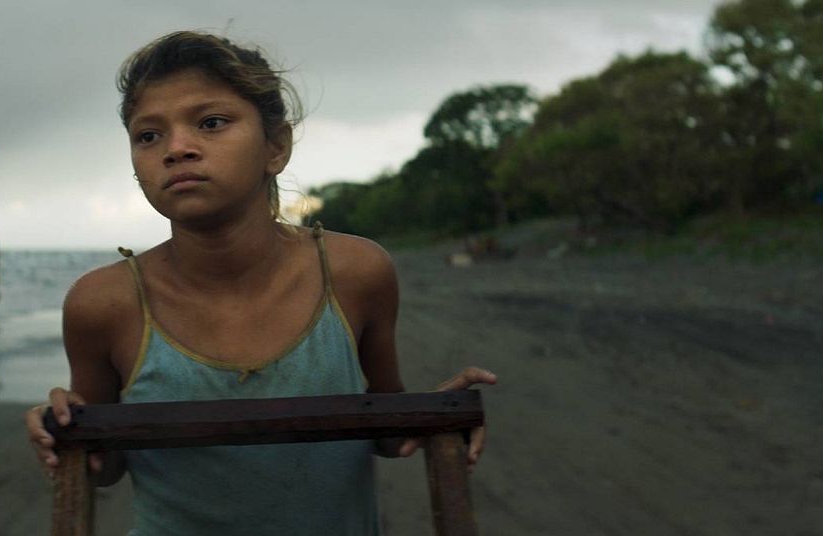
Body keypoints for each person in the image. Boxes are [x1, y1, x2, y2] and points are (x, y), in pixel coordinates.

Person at [24, 31, 496, 535]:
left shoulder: (355, 273)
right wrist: (65, 431)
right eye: (149, 135)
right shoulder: (104, 305)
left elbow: (383, 433)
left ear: (276, 146)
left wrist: (436, 416)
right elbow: (107, 467)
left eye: (211, 123)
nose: (177, 148)